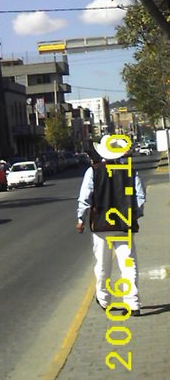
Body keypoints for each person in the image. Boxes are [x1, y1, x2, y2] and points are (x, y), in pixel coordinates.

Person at [76, 135, 146, 315]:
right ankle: (133, 304)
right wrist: (135, 215)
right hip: (124, 225)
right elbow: (140, 197)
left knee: (102, 264)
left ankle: (104, 300)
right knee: (129, 264)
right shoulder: (129, 171)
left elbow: (85, 197)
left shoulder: (94, 171)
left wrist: (81, 219)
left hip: (101, 226)